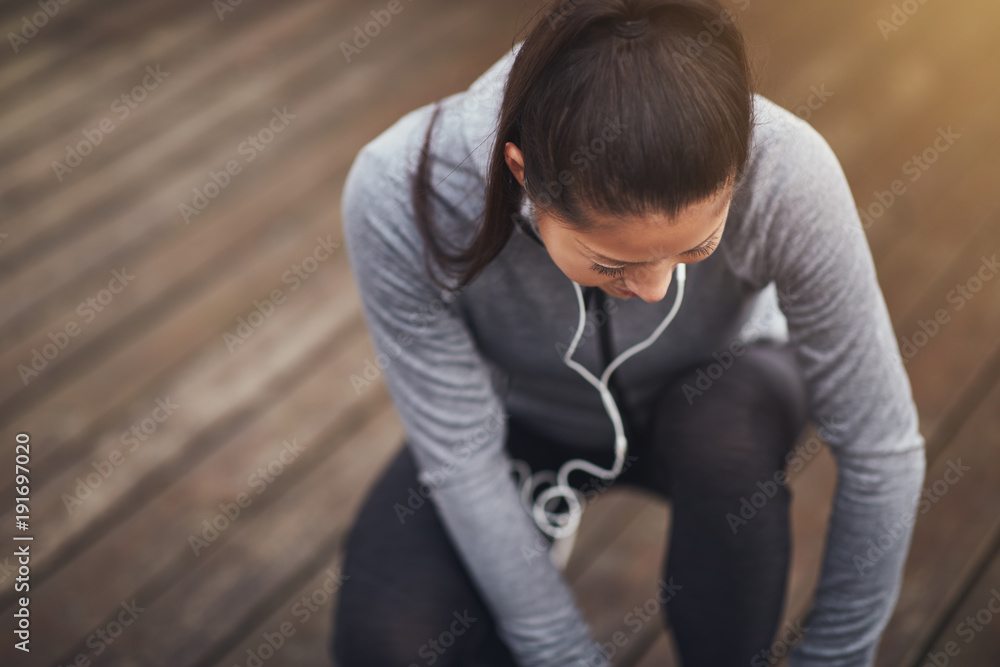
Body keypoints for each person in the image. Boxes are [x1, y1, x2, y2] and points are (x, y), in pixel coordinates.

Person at [330, 0, 927, 665]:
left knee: (721, 444)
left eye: (695, 248)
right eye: (612, 261)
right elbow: (463, 454)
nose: (655, 288)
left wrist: (836, 656)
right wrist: (562, 651)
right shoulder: (401, 189)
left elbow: (883, 447)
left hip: (725, 389)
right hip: (520, 423)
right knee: (385, 643)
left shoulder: (789, 170)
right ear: (523, 174)